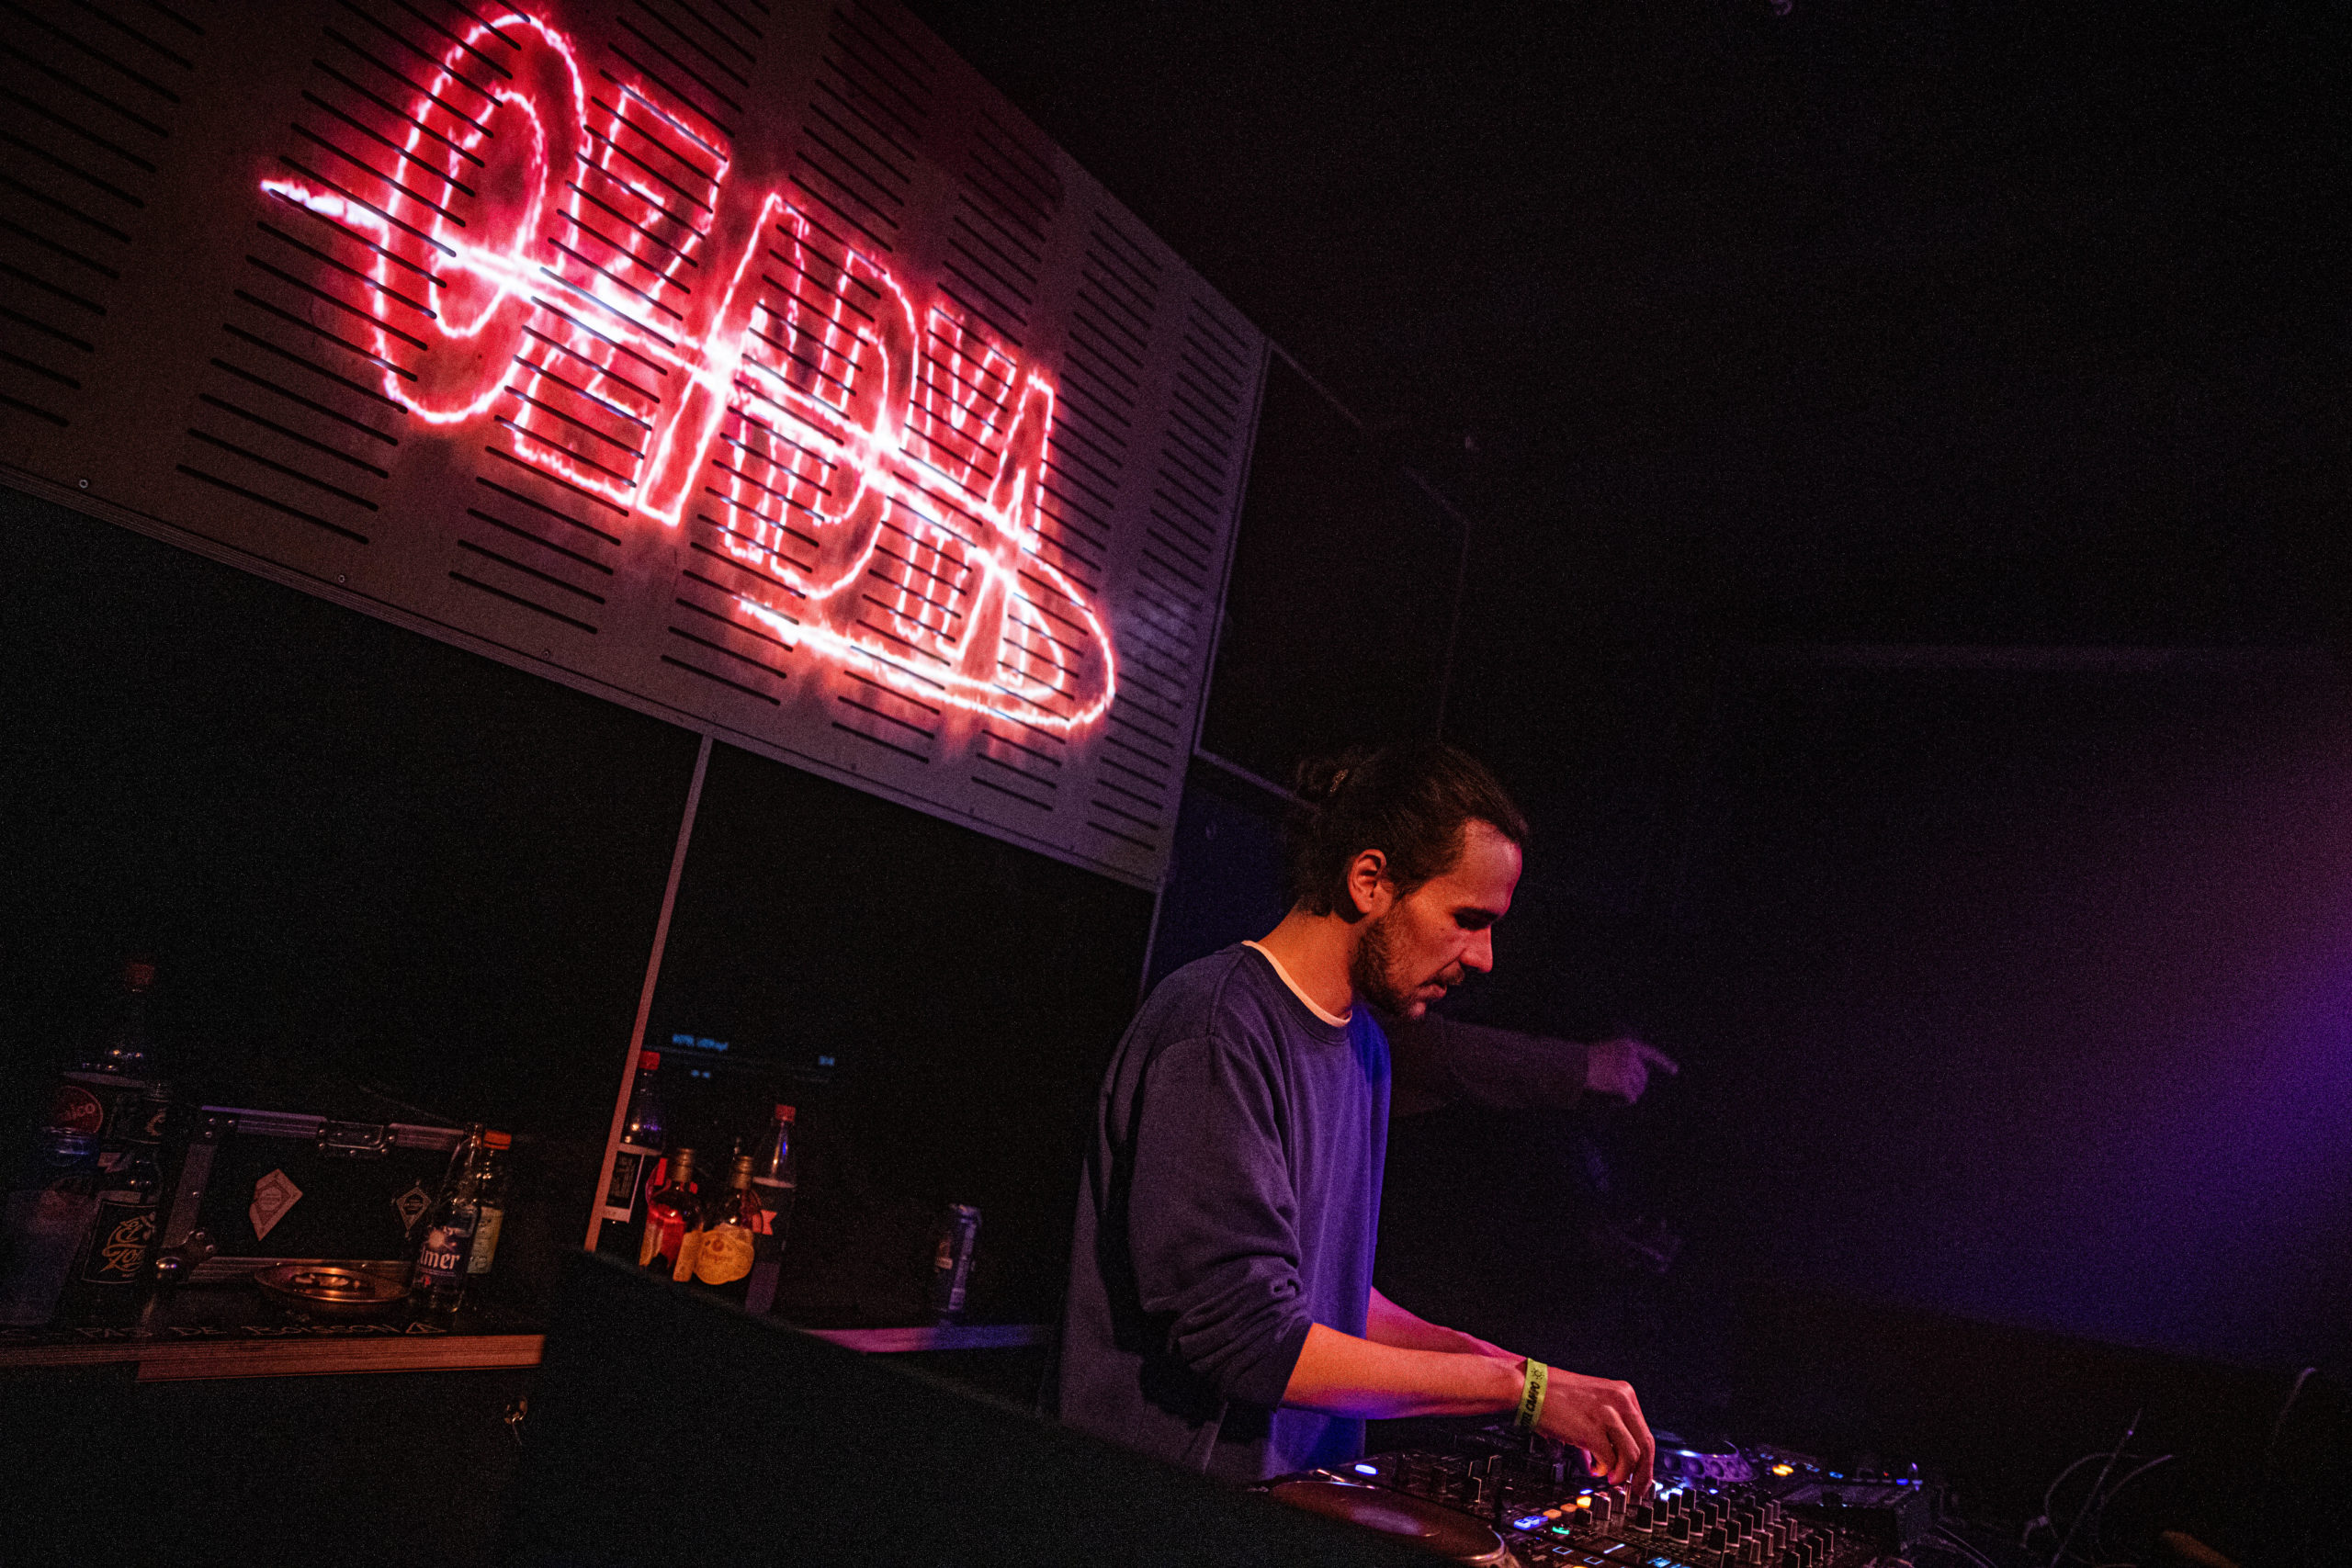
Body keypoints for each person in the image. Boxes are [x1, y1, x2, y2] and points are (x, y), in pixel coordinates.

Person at [1056, 740, 1658, 1490]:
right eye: (1467, 917)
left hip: (1290, 1505)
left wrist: (1520, 1370)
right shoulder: (1216, 1028)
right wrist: (1518, 1392)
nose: (1485, 957)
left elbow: (1324, 1298)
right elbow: (1249, 1339)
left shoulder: (1364, 1045)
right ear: (1369, 880)